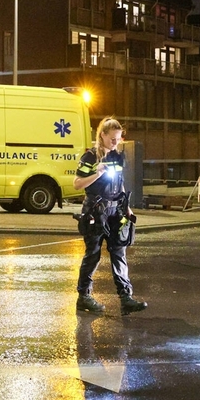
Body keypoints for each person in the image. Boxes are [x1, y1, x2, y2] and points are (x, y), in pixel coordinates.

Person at [73, 117, 146, 316]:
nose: (116, 142)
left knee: (119, 252)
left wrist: (127, 207)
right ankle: (84, 297)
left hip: (115, 211)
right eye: (112, 138)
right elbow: (77, 184)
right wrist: (96, 174)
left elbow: (120, 183)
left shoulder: (117, 156)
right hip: (95, 211)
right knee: (93, 255)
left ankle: (126, 298)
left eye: (119, 138)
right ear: (102, 135)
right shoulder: (89, 157)